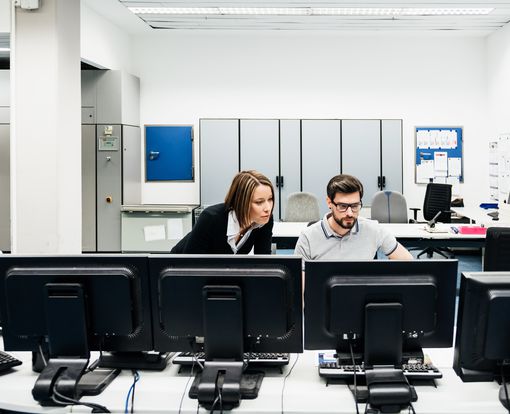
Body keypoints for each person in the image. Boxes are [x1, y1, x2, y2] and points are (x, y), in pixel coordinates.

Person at [294, 174, 413, 261]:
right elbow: (300, 288)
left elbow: (407, 262)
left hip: (363, 295)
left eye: (355, 206)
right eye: (343, 206)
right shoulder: (308, 237)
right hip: (324, 295)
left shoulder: (373, 230)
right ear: (329, 202)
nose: (350, 213)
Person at [171, 170, 274, 254]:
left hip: (217, 273)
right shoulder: (211, 218)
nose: (268, 208)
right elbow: (190, 266)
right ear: (241, 201)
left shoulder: (264, 220)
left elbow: (264, 261)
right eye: (259, 202)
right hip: (177, 270)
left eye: (270, 199)